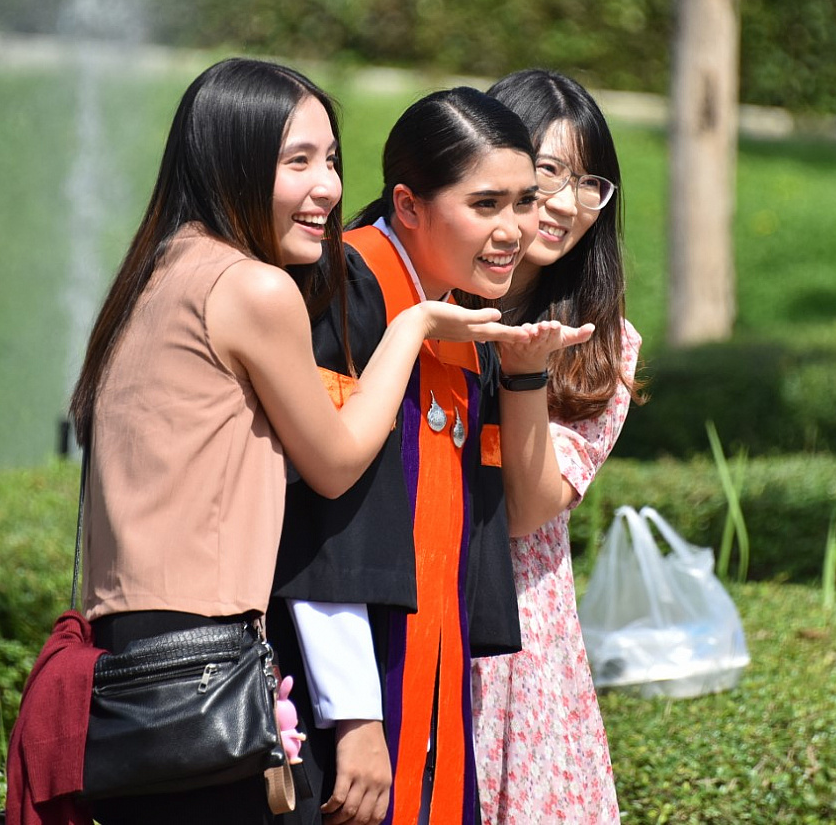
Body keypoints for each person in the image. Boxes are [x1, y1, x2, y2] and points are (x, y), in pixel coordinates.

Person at [63, 60, 523, 825]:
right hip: (210, 671)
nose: (328, 189)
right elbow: (337, 465)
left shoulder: (153, 274)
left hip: (131, 667)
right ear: (233, 162)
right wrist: (412, 326)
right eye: (297, 161)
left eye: (331, 160)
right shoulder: (255, 288)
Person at [270, 87, 591, 825]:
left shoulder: (460, 322)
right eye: (485, 205)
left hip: (431, 685)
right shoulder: (345, 288)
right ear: (408, 205)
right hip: (336, 694)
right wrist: (355, 716)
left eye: (524, 202)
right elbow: (316, 510)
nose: (514, 229)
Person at [470, 70, 643, 825]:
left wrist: (526, 372)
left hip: (519, 642)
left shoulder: (603, 345)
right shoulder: (419, 300)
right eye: (549, 173)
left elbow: (528, 510)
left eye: (590, 182)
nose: (569, 204)